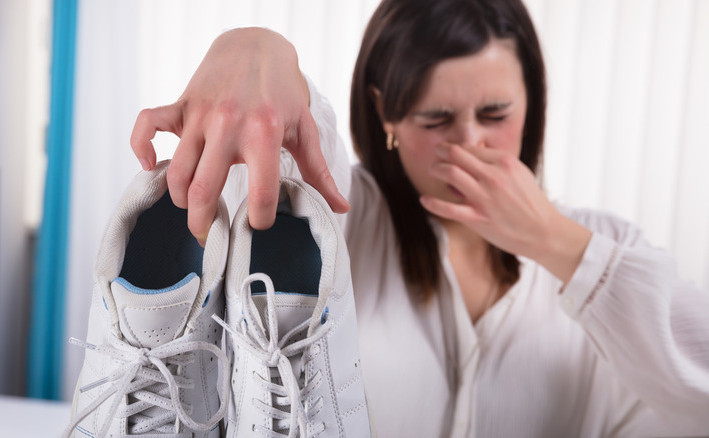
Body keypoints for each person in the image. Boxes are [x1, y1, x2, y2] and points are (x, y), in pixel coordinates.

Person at [129, 0, 709, 436]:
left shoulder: (604, 245)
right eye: (436, 120)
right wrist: (253, 48)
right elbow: (295, 135)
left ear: (531, 101)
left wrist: (560, 245)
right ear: (387, 114)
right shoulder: (348, 216)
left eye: (496, 113)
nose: (470, 143)